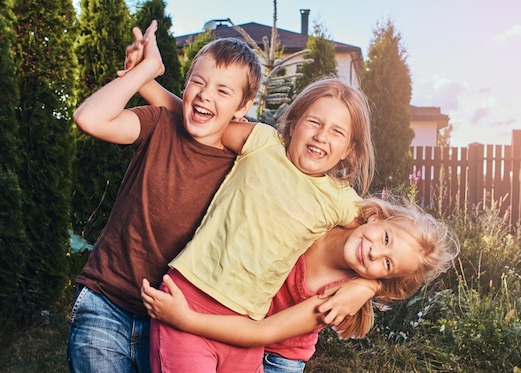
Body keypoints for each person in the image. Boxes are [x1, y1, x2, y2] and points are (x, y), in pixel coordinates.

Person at [128, 39, 377, 370]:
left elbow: (391, 248)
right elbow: (204, 120)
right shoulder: (261, 142)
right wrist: (144, 80)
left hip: (245, 324)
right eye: (314, 122)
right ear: (294, 122)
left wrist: (366, 286)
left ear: (348, 150)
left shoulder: (341, 200)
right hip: (190, 294)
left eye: (336, 132)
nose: (321, 136)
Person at [66, 20, 263, 373]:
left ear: (243, 106)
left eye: (223, 90)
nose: (204, 95)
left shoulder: (244, 163)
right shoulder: (158, 124)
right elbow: (89, 118)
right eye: (197, 83)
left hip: (173, 324)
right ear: (185, 86)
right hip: (105, 302)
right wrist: (144, 73)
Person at [142, 196, 459, 372]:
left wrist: (187, 320)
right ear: (376, 218)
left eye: (386, 264)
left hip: (275, 357)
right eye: (386, 238)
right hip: (239, 326)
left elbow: (261, 334)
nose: (375, 251)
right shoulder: (327, 213)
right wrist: (370, 287)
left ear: (384, 278)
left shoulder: (334, 298)